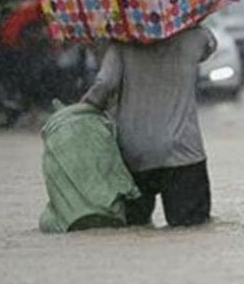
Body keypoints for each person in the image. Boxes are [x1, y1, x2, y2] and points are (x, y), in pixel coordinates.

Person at [82, 25, 217, 227]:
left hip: (134, 152)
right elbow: (210, 45)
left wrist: (82, 109)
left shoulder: (121, 45)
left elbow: (105, 85)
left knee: (133, 230)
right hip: (183, 152)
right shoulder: (193, 37)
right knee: (191, 231)